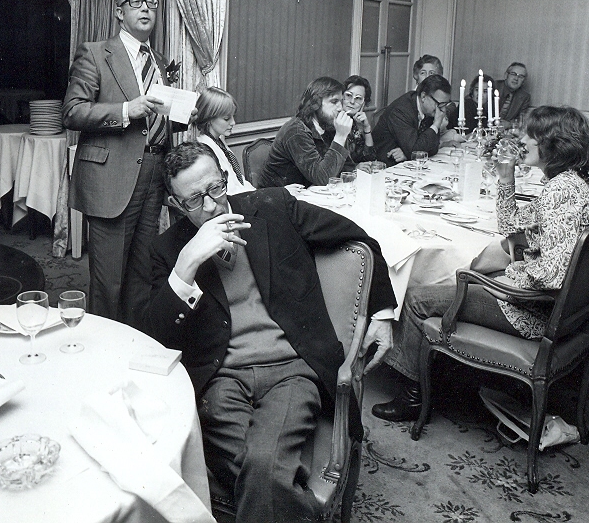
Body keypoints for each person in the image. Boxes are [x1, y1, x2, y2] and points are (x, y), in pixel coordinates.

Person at [137, 142, 397, 522]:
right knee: (268, 469)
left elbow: (361, 240)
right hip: (222, 378)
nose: (211, 205)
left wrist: (383, 314)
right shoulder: (169, 250)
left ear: (224, 178)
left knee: (261, 461)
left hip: (291, 369)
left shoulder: (273, 206)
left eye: (215, 188)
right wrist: (187, 264)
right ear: (176, 205)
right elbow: (155, 338)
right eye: (194, 200)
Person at [373, 106, 589, 422]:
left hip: (532, 312)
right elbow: (511, 226)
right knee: (475, 271)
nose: (523, 140)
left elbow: (552, 275)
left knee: (417, 298)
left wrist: (505, 282)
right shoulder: (571, 182)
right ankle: (439, 366)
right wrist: (506, 178)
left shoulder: (559, 192)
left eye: (530, 136)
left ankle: (412, 396)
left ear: (552, 144)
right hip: (565, 310)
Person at [63, 0, 182, 325]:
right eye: (136, 2)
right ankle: (103, 350)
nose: (146, 8)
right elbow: (72, 112)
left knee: (141, 275)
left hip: (153, 175)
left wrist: (181, 116)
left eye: (151, 2)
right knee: (108, 282)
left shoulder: (159, 61)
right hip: (111, 180)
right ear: (119, 12)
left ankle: (134, 344)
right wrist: (127, 110)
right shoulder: (95, 53)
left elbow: (155, 122)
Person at [257, 77, 354, 188]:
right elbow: (322, 178)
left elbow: (346, 169)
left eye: (341, 101)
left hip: (308, 193)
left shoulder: (328, 125)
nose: (340, 108)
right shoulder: (296, 131)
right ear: (315, 104)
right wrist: (340, 136)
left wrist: (343, 135)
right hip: (281, 196)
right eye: (334, 101)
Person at [371, 74, 453, 164]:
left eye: (445, 104)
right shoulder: (401, 110)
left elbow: (433, 148)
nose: (443, 110)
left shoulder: (429, 110)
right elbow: (416, 150)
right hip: (384, 164)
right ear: (423, 97)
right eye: (440, 104)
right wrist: (436, 125)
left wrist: (408, 153)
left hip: (406, 163)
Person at [190, 87, 254, 194]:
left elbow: (238, 180)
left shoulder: (218, 142)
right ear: (209, 119)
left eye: (233, 117)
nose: (233, 123)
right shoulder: (206, 151)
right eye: (226, 119)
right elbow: (229, 190)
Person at [342, 75, 379, 164]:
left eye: (358, 98)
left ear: (364, 103)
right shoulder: (332, 121)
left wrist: (366, 128)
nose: (352, 102)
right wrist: (354, 168)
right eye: (348, 95)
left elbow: (370, 158)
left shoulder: (355, 123)